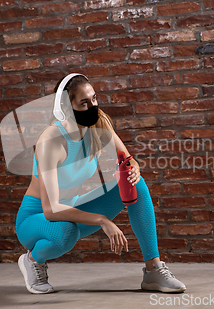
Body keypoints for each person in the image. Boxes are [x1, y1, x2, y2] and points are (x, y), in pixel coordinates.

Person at [15, 73, 186, 294]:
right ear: (65, 108)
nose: (92, 106)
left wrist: (133, 167)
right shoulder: (51, 142)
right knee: (65, 233)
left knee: (135, 183)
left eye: (94, 99)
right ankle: (32, 259)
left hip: (73, 208)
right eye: (84, 103)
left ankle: (153, 270)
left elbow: (127, 158)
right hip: (37, 219)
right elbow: (52, 209)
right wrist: (102, 220)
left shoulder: (99, 122)